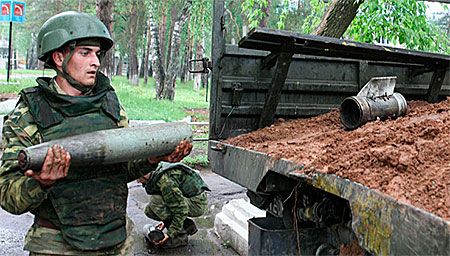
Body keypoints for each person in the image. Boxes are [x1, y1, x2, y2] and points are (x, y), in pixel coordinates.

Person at [0, 11, 192, 255]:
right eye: (85, 53)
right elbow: (7, 195)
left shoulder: (109, 105)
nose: (96, 62)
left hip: (116, 242)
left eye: (97, 54)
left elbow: (119, 171)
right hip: (57, 247)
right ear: (59, 57)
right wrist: (41, 183)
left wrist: (152, 159)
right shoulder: (29, 115)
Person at [138, 162, 210, 249]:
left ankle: (180, 238)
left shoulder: (165, 181)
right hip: (187, 198)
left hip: (197, 203)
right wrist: (165, 222)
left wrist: (170, 233)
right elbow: (172, 200)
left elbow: (181, 209)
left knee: (156, 201)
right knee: (150, 211)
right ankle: (187, 225)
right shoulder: (156, 172)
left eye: (139, 178)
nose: (138, 181)